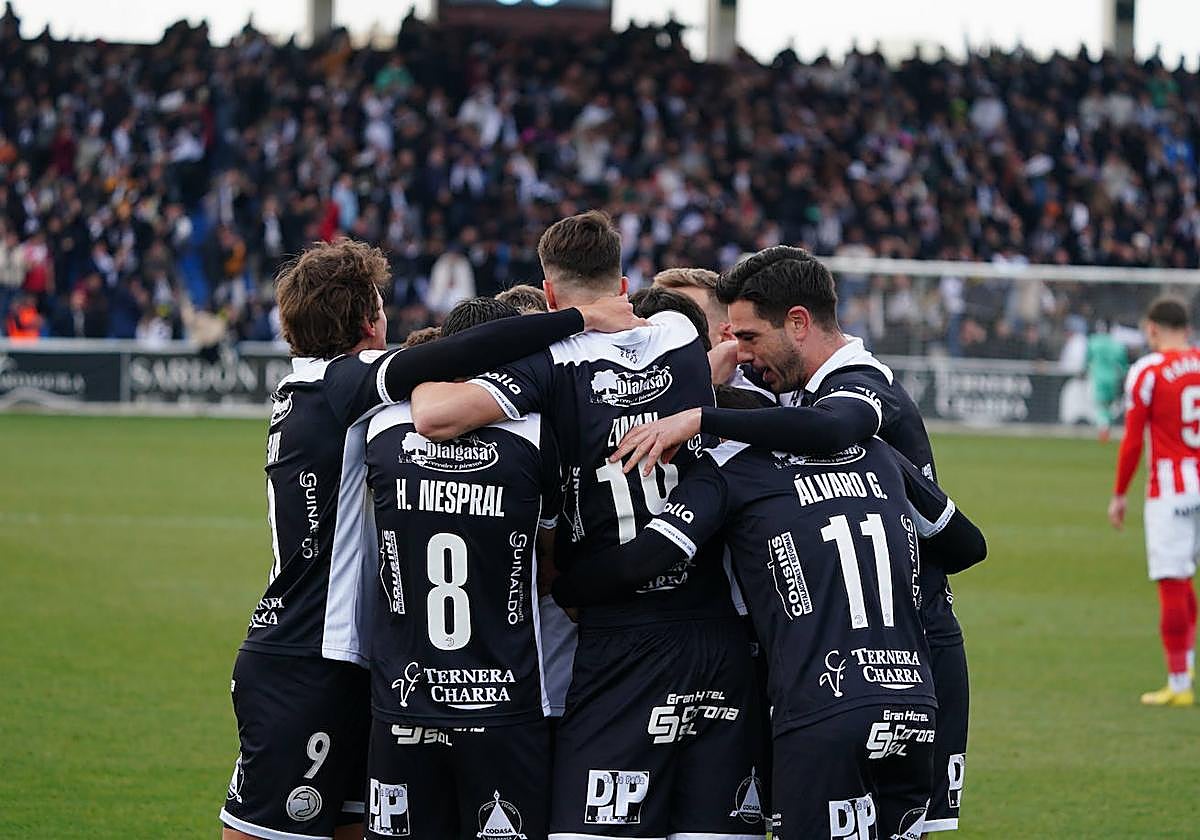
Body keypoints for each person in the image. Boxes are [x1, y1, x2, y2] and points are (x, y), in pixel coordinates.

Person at [220, 238, 640, 840]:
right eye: (382, 306)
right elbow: (457, 351)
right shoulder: (341, 384)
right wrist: (579, 318)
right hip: (305, 657)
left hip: (343, 659)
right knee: (265, 832)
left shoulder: (312, 388)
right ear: (368, 319)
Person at [409, 210, 767, 840]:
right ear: (624, 283)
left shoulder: (551, 361)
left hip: (619, 632)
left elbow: (434, 416)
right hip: (716, 632)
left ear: (549, 293)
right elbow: (707, 364)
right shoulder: (681, 337)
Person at [610, 246, 973, 834]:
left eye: (748, 337)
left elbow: (836, 428)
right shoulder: (796, 401)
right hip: (873, 659)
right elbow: (964, 542)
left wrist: (700, 416)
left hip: (909, 649)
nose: (742, 355)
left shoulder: (858, 384)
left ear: (799, 323)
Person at [552, 426, 986, 840]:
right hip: (913, 703)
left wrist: (563, 585)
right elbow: (968, 545)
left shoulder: (731, 465)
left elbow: (645, 560)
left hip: (824, 705)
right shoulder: (878, 453)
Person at [362, 297, 561, 839]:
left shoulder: (383, 429)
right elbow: (549, 571)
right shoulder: (538, 438)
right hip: (505, 701)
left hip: (404, 697)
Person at [1109, 297, 1200, 708]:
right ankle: (1188, 668)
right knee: (1184, 580)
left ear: (1152, 329)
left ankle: (1179, 684)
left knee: (1173, 581)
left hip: (1171, 491)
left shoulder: (1148, 370)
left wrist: (1119, 494)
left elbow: (1131, 440)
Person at [1087, 321, 1130, 442]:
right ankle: (1106, 427)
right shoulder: (1117, 345)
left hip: (1099, 377)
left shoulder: (1093, 341)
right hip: (1113, 378)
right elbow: (1124, 364)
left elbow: (1087, 359)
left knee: (1101, 405)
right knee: (1110, 405)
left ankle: (1104, 429)